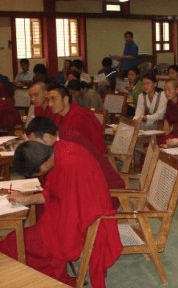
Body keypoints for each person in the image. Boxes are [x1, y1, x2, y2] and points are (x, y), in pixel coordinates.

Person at [0, 140, 122, 287]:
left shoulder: (69, 164)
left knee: (13, 243)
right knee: (16, 239)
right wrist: (26, 199)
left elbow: (71, 214)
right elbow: (56, 194)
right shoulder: (61, 148)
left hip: (83, 222)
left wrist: (49, 234)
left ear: (43, 165)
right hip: (69, 214)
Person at [24, 117, 125, 208]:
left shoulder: (71, 144)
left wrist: (33, 198)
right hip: (88, 188)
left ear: (46, 137)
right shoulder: (59, 138)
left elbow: (68, 186)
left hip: (105, 192)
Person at [47, 85, 108, 155]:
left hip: (90, 157)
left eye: (53, 99)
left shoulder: (80, 117)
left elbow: (79, 148)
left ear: (65, 99)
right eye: (48, 100)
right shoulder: (59, 115)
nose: (50, 104)